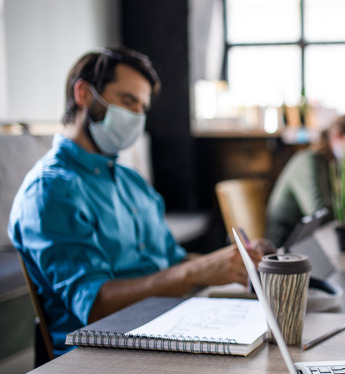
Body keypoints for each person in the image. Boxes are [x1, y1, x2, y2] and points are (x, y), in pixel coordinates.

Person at [8, 47, 270, 357]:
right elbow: (94, 306)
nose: (136, 116)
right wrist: (196, 272)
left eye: (143, 107)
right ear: (84, 94)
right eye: (128, 100)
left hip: (168, 330)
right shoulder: (50, 191)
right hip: (102, 357)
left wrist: (232, 264)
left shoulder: (132, 182)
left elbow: (171, 263)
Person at [265, 113, 345, 247]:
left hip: (320, 242)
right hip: (288, 244)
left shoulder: (342, 166)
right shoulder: (309, 161)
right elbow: (319, 212)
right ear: (338, 136)